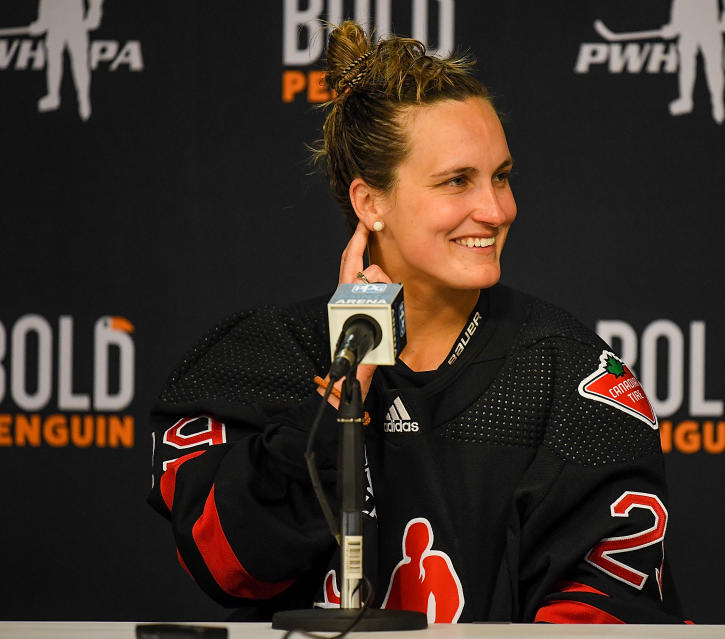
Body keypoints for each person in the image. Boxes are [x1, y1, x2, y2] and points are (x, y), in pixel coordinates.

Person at [148, 21, 683, 624]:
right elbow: (230, 567)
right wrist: (343, 395)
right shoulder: (269, 356)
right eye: (458, 181)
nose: (497, 209)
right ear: (370, 202)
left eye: (501, 176)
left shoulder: (568, 372)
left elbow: (606, 608)